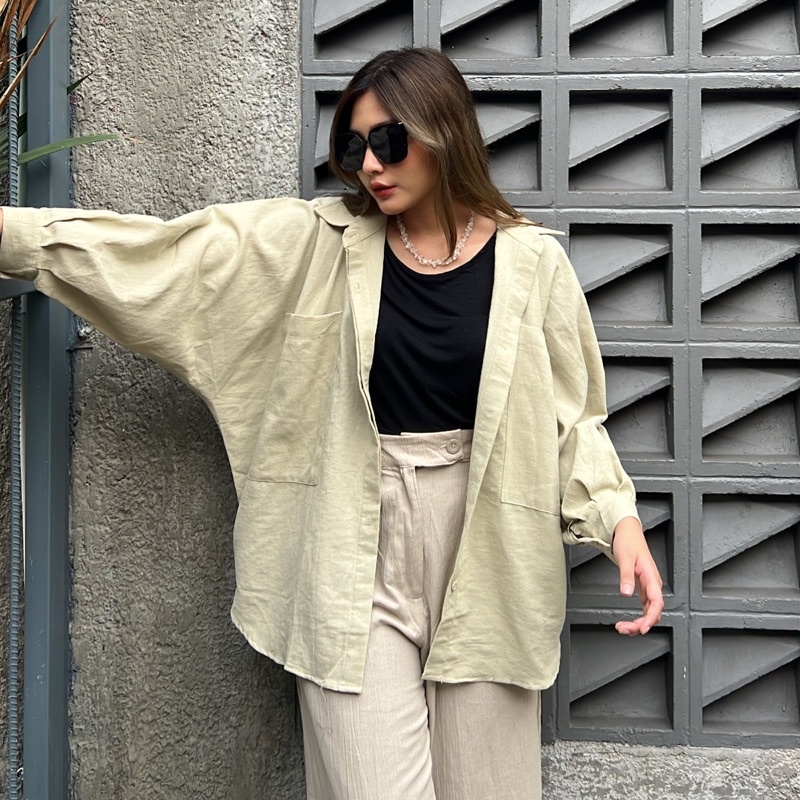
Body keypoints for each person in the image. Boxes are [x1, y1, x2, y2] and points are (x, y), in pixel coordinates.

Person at [0, 48, 662, 800]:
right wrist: (19, 236)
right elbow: (168, 259)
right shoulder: (315, 242)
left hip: (491, 545)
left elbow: (573, 419)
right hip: (351, 542)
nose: (371, 164)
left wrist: (618, 522)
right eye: (354, 146)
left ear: (444, 133)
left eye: (390, 141)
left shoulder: (532, 263)